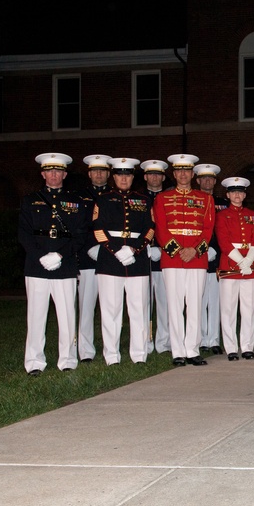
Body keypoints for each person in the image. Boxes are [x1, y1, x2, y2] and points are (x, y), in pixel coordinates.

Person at [18, 153, 86, 375]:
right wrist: (41, 256)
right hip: (37, 267)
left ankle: (67, 360)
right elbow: (24, 234)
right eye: (50, 171)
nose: (54, 175)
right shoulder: (30, 200)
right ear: (43, 174)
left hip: (64, 266)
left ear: (65, 174)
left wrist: (59, 255)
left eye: (58, 171)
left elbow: (81, 235)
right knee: (36, 316)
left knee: (67, 316)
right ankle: (34, 362)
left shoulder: (76, 201)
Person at [153, 153, 215, 366]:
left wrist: (195, 251)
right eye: (179, 170)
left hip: (196, 259)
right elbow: (160, 229)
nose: (182, 174)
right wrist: (178, 251)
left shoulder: (206, 199)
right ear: (174, 173)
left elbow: (208, 230)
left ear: (192, 173)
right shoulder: (161, 199)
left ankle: (193, 348)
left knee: (195, 305)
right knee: (174, 305)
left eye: (186, 170)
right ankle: (178, 350)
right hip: (173, 258)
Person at [91, 157, 154, 364]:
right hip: (110, 261)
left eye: (127, 174)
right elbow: (98, 228)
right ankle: (111, 355)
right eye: (119, 174)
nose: (123, 178)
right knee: (110, 310)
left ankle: (139, 354)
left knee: (139, 309)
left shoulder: (144, 200)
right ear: (113, 176)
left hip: (138, 262)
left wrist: (135, 250)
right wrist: (116, 250)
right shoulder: (103, 199)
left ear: (132, 177)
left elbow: (150, 228)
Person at [215, 177, 254, 361]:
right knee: (228, 309)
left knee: (249, 308)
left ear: (244, 194)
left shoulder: (253, 215)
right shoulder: (222, 215)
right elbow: (224, 242)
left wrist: (249, 260)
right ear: (227, 195)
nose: (237, 195)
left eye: (240, 192)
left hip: (250, 266)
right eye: (233, 192)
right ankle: (231, 348)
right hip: (230, 265)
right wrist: (241, 262)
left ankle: (247, 346)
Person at [77, 154, 112, 362]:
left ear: (108, 173)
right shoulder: (79, 197)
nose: (99, 174)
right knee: (86, 307)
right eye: (95, 171)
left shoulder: (115, 195)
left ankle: (111, 348)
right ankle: (86, 351)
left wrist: (105, 247)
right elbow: (79, 227)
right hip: (88, 259)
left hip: (110, 258)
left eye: (102, 171)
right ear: (89, 174)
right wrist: (91, 246)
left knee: (110, 308)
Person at [194, 162, 227, 356]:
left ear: (215, 181)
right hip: (196, 256)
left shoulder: (222, 203)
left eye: (211, 178)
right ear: (198, 180)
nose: (207, 181)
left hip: (216, 259)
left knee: (214, 301)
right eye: (204, 178)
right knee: (197, 300)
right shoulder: (193, 201)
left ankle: (213, 339)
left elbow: (224, 230)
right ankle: (200, 338)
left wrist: (214, 249)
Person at [141, 159, 170, 356]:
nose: (154, 177)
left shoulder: (169, 198)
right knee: (143, 303)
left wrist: (162, 247)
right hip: (142, 256)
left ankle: (164, 342)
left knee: (165, 302)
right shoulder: (138, 198)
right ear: (145, 177)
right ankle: (145, 342)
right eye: (151, 174)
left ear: (163, 177)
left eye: (158, 174)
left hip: (165, 256)